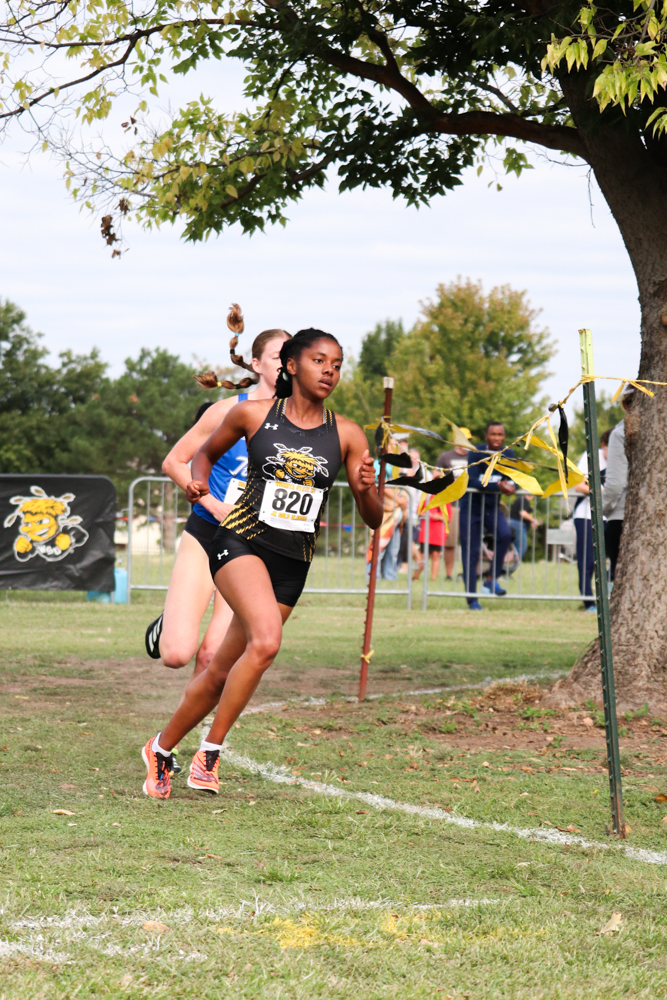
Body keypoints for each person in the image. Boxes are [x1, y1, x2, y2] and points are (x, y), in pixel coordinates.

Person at [141, 328, 382, 799]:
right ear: (291, 365)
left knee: (217, 669)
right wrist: (198, 484)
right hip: (240, 541)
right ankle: (210, 752)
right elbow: (204, 455)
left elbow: (372, 518)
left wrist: (368, 488)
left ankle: (160, 748)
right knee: (267, 642)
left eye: (336, 363)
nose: (329, 370)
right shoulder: (251, 413)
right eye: (319, 360)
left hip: (293, 562)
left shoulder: (348, 434)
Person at [142, 308, 290, 760]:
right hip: (209, 530)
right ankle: (171, 620)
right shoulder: (230, 410)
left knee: (214, 660)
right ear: (258, 364)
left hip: (252, 548)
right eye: (279, 356)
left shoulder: (299, 421)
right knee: (178, 654)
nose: (287, 364)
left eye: (292, 356)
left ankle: (172, 745)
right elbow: (174, 462)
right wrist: (209, 502)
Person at [459, 422, 516, 610]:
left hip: (491, 507)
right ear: (486, 436)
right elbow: (473, 480)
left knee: (505, 534)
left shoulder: (508, 454)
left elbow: (514, 478)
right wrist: (497, 486)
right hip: (471, 508)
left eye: (500, 434)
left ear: (504, 437)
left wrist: (513, 486)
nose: (497, 438)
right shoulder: (476, 453)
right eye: (493, 434)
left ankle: (491, 579)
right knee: (472, 552)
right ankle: (471, 599)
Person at [573, 431, 608, 610]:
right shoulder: (590, 458)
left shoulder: (622, 459)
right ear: (603, 445)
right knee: (587, 561)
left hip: (609, 517)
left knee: (609, 560)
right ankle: (588, 601)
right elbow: (579, 485)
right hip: (586, 515)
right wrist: (602, 492)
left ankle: (607, 599)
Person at [602, 386, 633, 580]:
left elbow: (615, 482)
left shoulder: (620, 433)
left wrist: (603, 508)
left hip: (623, 515)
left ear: (624, 404)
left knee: (621, 576)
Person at [436, 427, 472, 580]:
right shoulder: (445, 457)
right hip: (452, 505)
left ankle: (469, 572)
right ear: (455, 440)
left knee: (469, 541)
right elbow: (435, 476)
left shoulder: (474, 457)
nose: (467, 443)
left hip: (470, 504)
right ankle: (449, 574)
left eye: (468, 440)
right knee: (450, 542)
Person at [509, 493, 540, 562]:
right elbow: (523, 513)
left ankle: (511, 563)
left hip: (515, 523)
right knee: (522, 546)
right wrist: (533, 520)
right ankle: (515, 564)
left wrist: (531, 522)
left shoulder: (520, 499)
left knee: (515, 546)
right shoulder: (524, 499)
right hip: (518, 524)